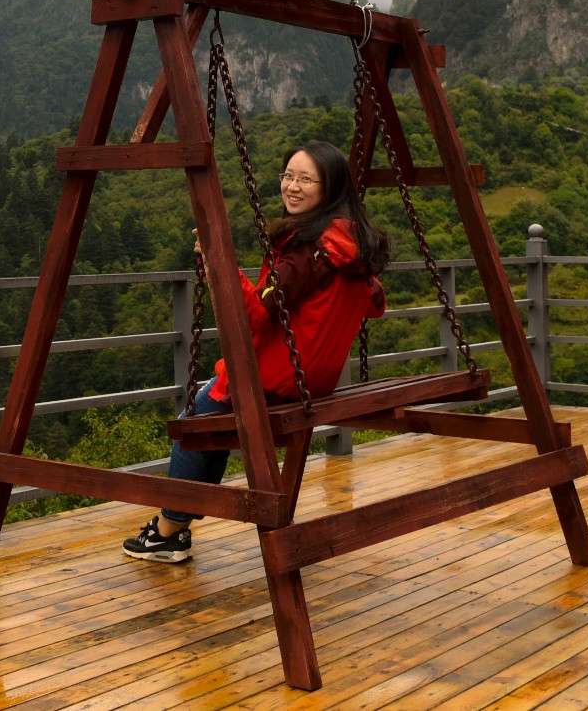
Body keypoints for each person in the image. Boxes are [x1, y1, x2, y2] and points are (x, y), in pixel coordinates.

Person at [122, 140, 389, 563]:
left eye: (306, 179)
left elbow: (256, 317)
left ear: (330, 187)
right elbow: (376, 304)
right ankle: (177, 522)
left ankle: (169, 530)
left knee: (195, 420)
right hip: (317, 377)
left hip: (281, 378)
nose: (292, 186)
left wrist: (217, 260)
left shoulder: (310, 252)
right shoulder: (351, 244)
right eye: (288, 175)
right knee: (209, 412)